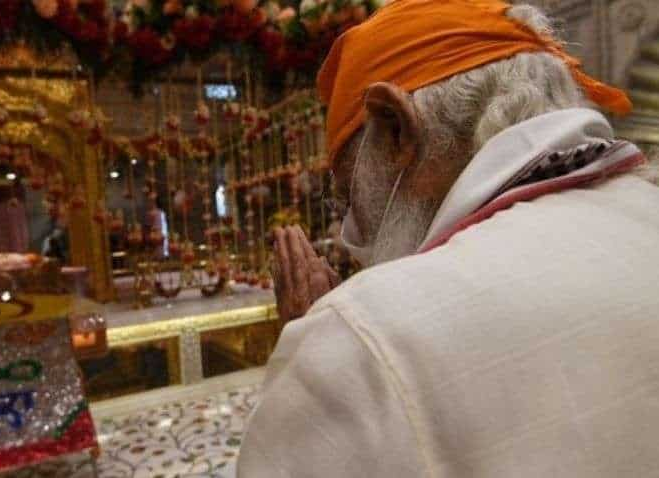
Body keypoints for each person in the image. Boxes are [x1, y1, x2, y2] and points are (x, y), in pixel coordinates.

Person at [238, 1, 659, 476]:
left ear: (396, 128)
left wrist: (320, 365)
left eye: (347, 198)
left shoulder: (367, 339)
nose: (352, 233)